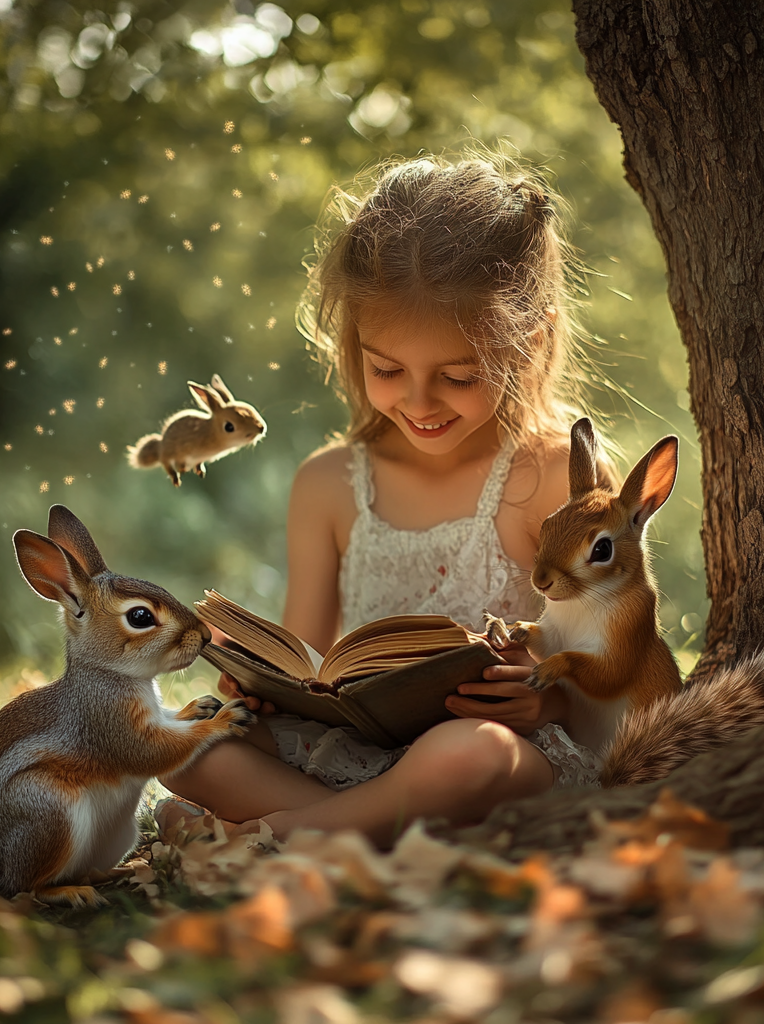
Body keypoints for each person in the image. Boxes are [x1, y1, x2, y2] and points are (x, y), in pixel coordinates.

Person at [162, 153, 612, 847]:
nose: (419, 401)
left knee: (466, 755)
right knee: (183, 739)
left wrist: (541, 694)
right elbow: (303, 658)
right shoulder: (329, 482)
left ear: (530, 342)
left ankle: (281, 833)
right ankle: (356, 824)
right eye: (387, 370)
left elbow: (611, 676)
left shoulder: (553, 475)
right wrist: (254, 687)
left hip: (496, 751)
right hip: (356, 755)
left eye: (460, 375)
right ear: (353, 347)